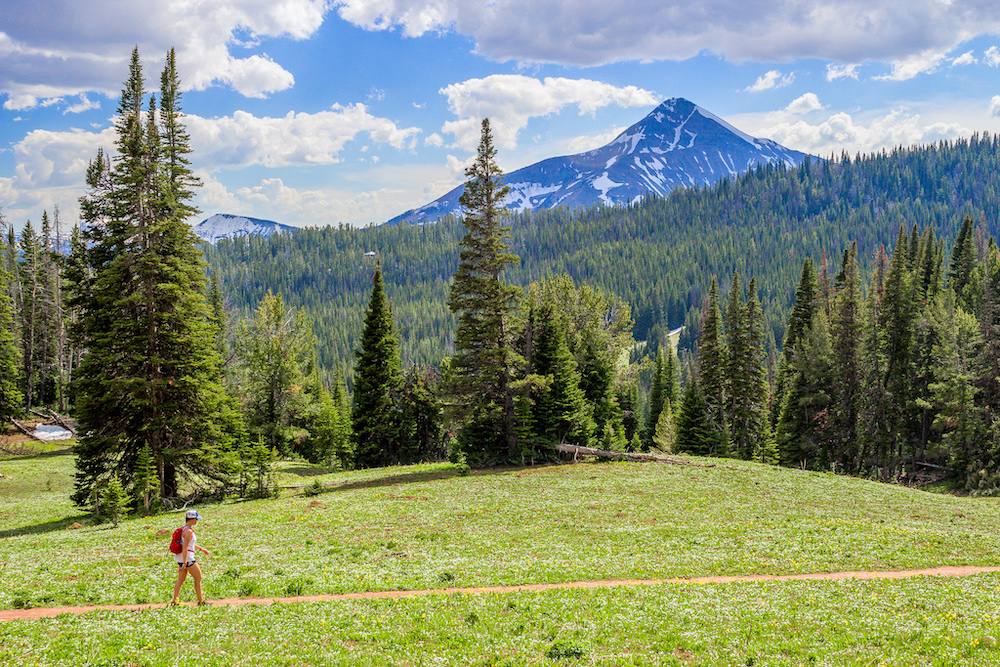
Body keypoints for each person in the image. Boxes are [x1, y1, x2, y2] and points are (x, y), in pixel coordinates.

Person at [171, 509, 212, 606]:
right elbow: (185, 547)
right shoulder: (188, 532)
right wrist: (185, 563)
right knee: (198, 577)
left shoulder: (183, 528)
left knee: (180, 580)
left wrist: (201, 549)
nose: (196, 521)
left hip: (181, 558)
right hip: (188, 559)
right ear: (192, 519)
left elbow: (189, 544)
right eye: (196, 519)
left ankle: (175, 601)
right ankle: (201, 601)